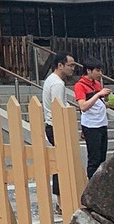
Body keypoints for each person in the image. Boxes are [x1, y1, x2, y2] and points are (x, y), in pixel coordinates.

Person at [42, 52, 76, 212]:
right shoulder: (57, 84)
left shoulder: (51, 80)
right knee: (61, 164)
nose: (73, 68)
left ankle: (61, 200)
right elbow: (58, 107)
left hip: (52, 125)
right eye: (70, 65)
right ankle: (61, 202)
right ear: (60, 65)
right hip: (56, 125)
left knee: (60, 163)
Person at [74, 58, 111, 179]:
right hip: (91, 125)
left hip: (102, 123)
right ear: (88, 71)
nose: (100, 73)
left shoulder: (97, 84)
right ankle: (91, 184)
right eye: (97, 70)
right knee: (94, 158)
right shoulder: (80, 85)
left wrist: (108, 102)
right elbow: (83, 106)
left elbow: (98, 104)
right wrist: (98, 94)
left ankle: (100, 184)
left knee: (102, 158)